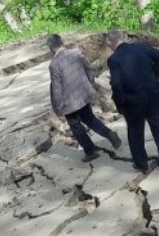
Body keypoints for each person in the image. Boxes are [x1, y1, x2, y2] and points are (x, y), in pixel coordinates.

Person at [105, 29, 159, 172]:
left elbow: (117, 84)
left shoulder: (114, 60)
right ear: (122, 38)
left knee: (135, 131)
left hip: (133, 100)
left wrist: (120, 103)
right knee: (158, 128)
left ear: (110, 43)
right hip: (152, 94)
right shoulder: (142, 47)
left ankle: (141, 164)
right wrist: (155, 76)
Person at [47, 34, 122, 162]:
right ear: (61, 42)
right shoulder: (76, 53)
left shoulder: (54, 65)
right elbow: (88, 68)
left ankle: (90, 151)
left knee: (75, 126)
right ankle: (109, 134)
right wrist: (89, 83)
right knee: (89, 118)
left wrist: (58, 108)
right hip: (84, 94)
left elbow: (57, 89)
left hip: (69, 102)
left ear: (50, 47)